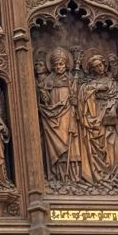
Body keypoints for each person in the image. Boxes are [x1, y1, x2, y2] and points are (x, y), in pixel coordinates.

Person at [77, 53, 118, 186]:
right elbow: (83, 97)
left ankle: (116, 175)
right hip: (95, 116)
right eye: (95, 67)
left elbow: (117, 97)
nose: (99, 69)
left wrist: (112, 106)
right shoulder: (89, 85)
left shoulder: (113, 82)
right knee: (97, 146)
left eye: (100, 65)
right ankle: (100, 176)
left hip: (110, 118)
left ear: (104, 65)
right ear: (91, 70)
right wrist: (94, 90)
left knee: (114, 145)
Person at [37, 47, 80, 185]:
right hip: (54, 115)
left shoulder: (72, 79)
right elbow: (45, 98)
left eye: (61, 64)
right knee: (57, 141)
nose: (58, 67)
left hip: (67, 112)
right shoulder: (49, 80)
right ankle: (59, 175)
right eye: (55, 65)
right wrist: (44, 95)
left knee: (70, 141)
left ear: (66, 65)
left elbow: (79, 96)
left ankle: (73, 176)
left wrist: (76, 101)